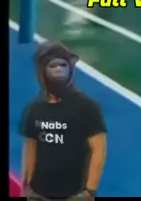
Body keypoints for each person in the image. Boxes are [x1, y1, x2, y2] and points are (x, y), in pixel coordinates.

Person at [20, 42, 106, 200]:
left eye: (63, 65)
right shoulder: (34, 109)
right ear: (43, 71)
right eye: (53, 66)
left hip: (74, 194)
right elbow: (30, 148)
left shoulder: (87, 107)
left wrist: (90, 191)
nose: (59, 70)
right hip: (38, 193)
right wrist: (27, 186)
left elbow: (99, 150)